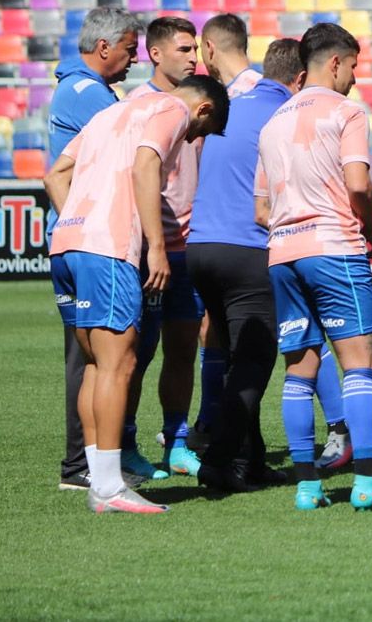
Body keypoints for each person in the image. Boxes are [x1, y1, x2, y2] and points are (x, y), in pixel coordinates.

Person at [255, 23, 372, 511]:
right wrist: (370, 231)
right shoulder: (347, 112)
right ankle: (367, 480)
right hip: (334, 247)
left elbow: (260, 210)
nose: (355, 77)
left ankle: (308, 486)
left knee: (300, 367)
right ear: (333, 63)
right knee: (361, 361)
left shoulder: (273, 123)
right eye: (352, 66)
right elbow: (358, 185)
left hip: (282, 252)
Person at [43, 75, 229, 513]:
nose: (191, 139)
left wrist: (78, 221)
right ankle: (108, 488)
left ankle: (98, 479)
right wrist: (158, 247)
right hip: (108, 249)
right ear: (202, 110)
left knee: (96, 364)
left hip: (67, 243)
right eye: (198, 133)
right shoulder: (170, 109)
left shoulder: (110, 112)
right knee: (118, 363)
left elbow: (55, 175)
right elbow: (146, 164)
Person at [189, 39, 341, 493]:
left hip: (201, 247)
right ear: (298, 79)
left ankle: (251, 461)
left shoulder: (232, 104)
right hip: (248, 249)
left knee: (237, 356)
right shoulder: (285, 118)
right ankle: (216, 462)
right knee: (255, 362)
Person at [48, 6, 143, 492]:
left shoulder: (85, 89)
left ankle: (89, 462)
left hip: (73, 238)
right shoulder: (89, 95)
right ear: (104, 47)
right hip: (90, 240)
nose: (134, 59)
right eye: (130, 49)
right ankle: (84, 465)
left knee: (92, 356)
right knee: (96, 357)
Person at [121, 17, 205, 481]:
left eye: (195, 49)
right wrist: (151, 243)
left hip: (188, 249)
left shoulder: (195, 103)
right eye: (184, 49)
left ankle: (176, 440)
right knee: (138, 351)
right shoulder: (139, 106)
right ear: (155, 54)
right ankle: (127, 443)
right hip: (149, 250)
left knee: (181, 349)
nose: (194, 57)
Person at [191, 13, 267, 449]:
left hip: (216, 239)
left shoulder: (245, 96)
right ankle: (223, 443)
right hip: (242, 241)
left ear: (210, 48)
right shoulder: (260, 96)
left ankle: (233, 446)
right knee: (246, 347)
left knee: (231, 340)